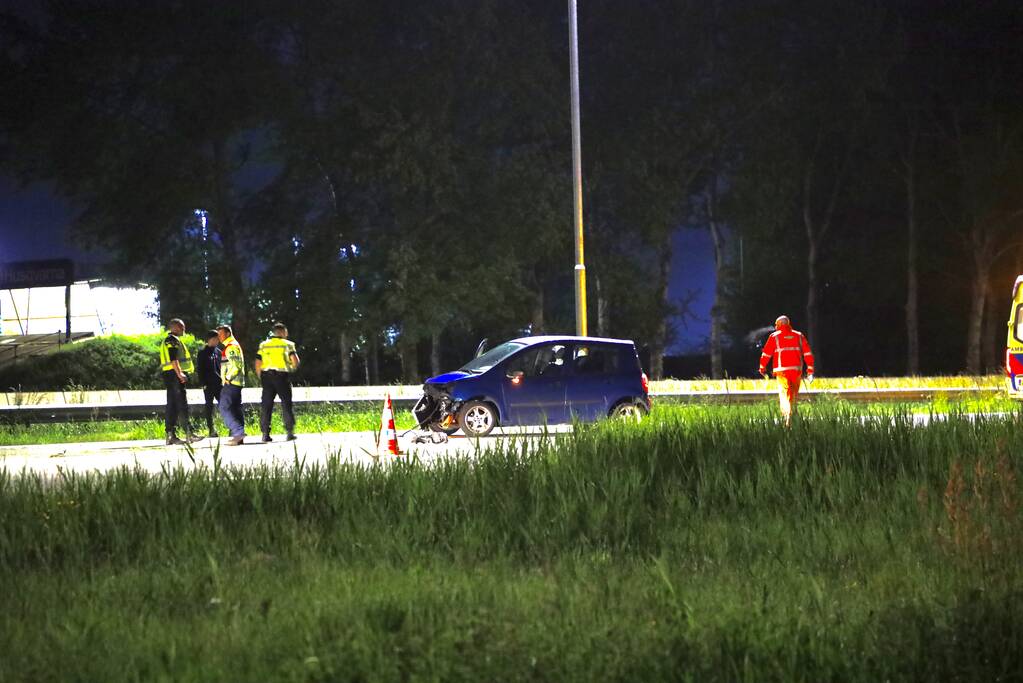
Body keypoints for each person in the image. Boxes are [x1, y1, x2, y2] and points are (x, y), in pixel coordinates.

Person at [758, 315, 815, 426]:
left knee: (784, 394)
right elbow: (808, 353)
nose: (775, 326)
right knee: (793, 394)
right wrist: (810, 370)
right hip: (796, 371)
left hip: (782, 371)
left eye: (776, 324)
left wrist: (762, 367)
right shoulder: (799, 336)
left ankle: (787, 420)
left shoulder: (774, 336)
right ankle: (793, 416)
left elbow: (766, 354)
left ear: (779, 325)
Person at [255, 322, 301, 442]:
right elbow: (295, 360)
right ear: (282, 332)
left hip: (266, 377)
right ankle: (289, 432)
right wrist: (292, 369)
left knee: (266, 405)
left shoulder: (264, 345)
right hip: (282, 377)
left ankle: (265, 433)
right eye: (286, 332)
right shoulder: (288, 344)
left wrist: (261, 375)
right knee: (286, 403)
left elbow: (258, 362)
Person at [159, 318, 200, 445]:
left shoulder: (169, 340)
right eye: (182, 327)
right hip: (174, 375)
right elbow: (173, 358)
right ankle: (189, 433)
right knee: (182, 404)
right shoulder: (172, 340)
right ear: (175, 327)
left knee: (172, 405)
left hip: (169, 374)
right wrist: (180, 373)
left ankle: (170, 435)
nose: (184, 329)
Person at [216, 323, 246, 445]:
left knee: (224, 407)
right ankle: (239, 437)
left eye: (220, 334)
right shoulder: (231, 346)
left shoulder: (231, 347)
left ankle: (238, 433)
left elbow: (236, 366)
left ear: (228, 333)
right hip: (236, 382)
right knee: (235, 408)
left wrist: (227, 378)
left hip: (232, 382)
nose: (219, 336)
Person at [195, 330, 223, 438]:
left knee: (225, 405)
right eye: (215, 339)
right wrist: (203, 383)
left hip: (219, 383)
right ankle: (211, 429)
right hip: (208, 384)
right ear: (210, 339)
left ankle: (231, 428)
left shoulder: (218, 352)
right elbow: (200, 369)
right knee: (209, 407)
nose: (217, 341)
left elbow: (221, 368)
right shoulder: (202, 352)